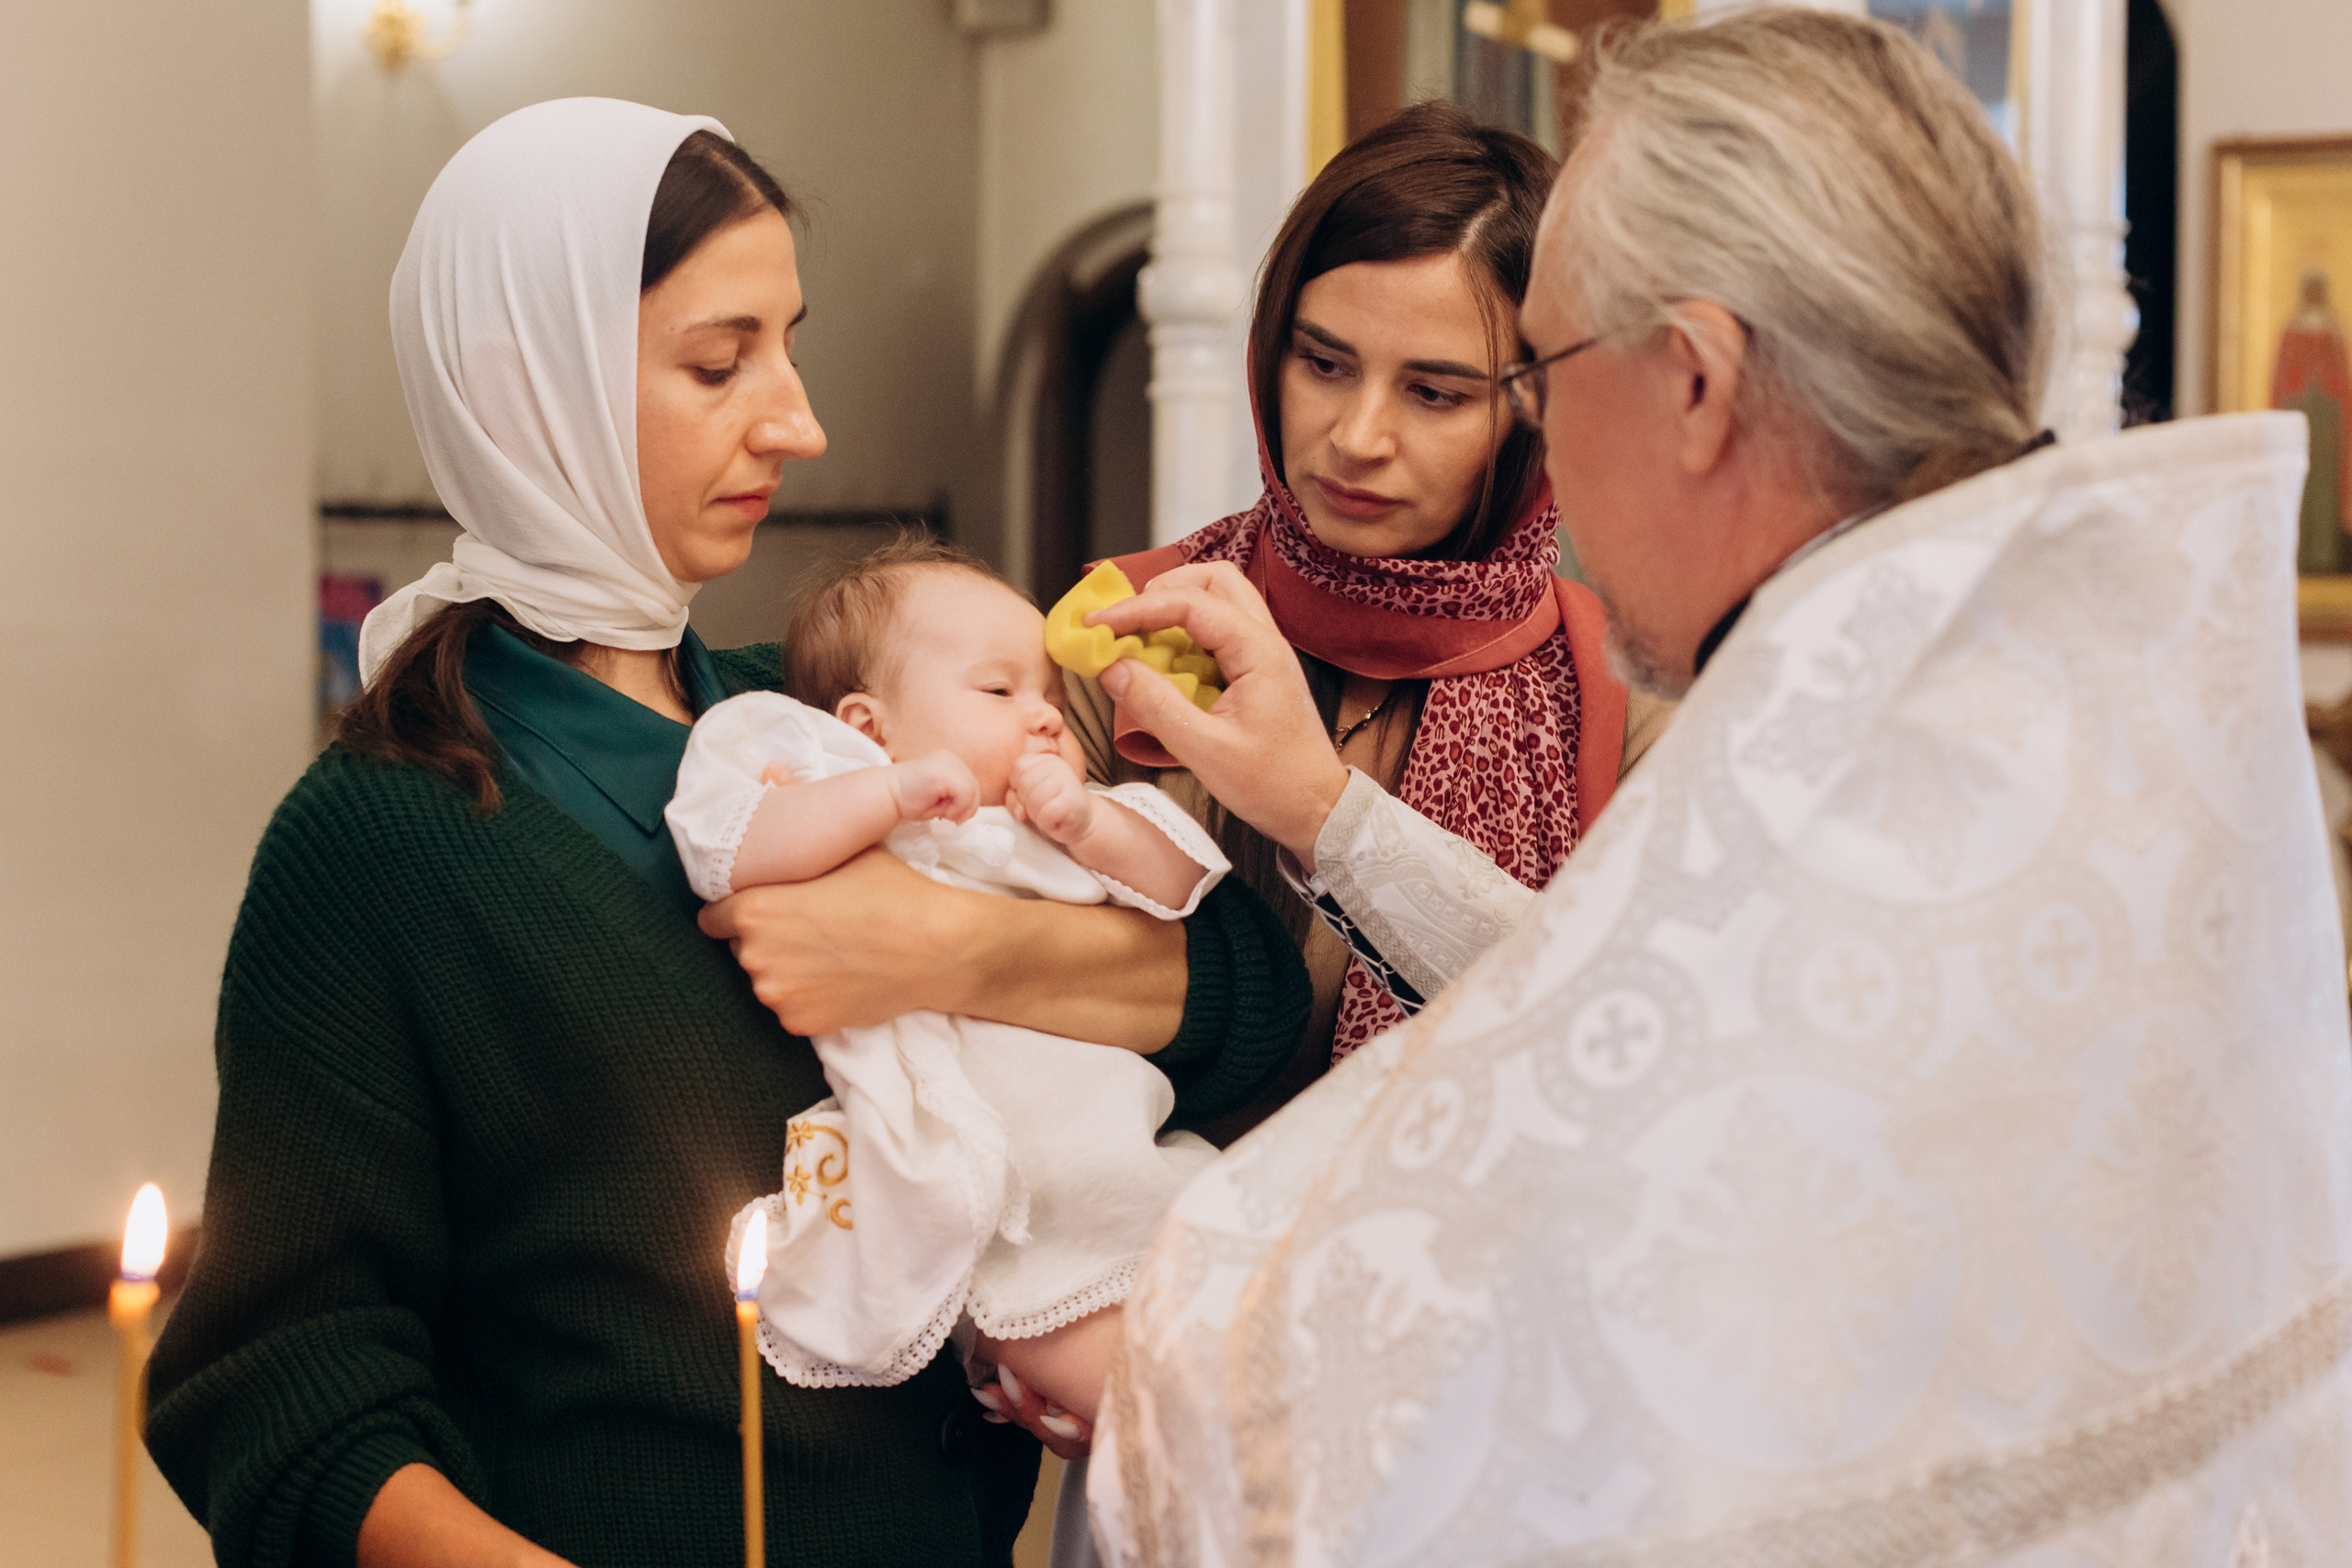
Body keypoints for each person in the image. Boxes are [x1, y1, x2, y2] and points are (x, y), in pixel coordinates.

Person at [1080, 11, 2352, 1562]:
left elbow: (1475, 1319)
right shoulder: (2084, 707)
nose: (1512, 440)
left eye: (1525, 369)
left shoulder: (1842, 767)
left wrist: (1161, 1321)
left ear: (1693, 381)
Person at [143, 99, 1306, 1568]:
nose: (799, 419)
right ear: (530, 385)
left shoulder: (827, 718)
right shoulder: (382, 837)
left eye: (788, 341)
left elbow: (1254, 1005)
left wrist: (961, 944)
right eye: (719, 359)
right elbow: (280, 1383)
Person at [1059, 101, 1668, 1147]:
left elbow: (1639, 1060)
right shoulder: (1126, 630)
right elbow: (1008, 996)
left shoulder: (1622, 697)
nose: (1356, 436)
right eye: (1323, 363)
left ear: (1537, 413)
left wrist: (1316, 808)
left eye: (1435, 394)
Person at [666, 539, 1227, 1426]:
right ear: (864, 725)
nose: (1045, 718)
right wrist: (886, 795)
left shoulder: (1048, 830)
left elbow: (1180, 884)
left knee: (1257, 1367)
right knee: (1190, 1428)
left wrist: (1088, 824)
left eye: (1048, 695)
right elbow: (732, 849)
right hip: (1016, 1220)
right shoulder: (828, 783)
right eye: (1001, 692)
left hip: (1140, 1174)